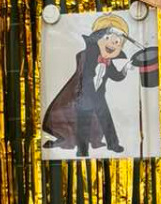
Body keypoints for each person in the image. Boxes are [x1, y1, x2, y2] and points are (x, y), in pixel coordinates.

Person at [41, 16, 130, 155]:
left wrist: (126, 68)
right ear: (97, 39)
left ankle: (113, 144)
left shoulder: (109, 63)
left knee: (107, 122)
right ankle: (82, 151)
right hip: (84, 97)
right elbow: (82, 63)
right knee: (83, 125)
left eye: (117, 42)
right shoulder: (86, 55)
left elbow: (116, 76)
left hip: (99, 98)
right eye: (107, 38)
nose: (112, 44)